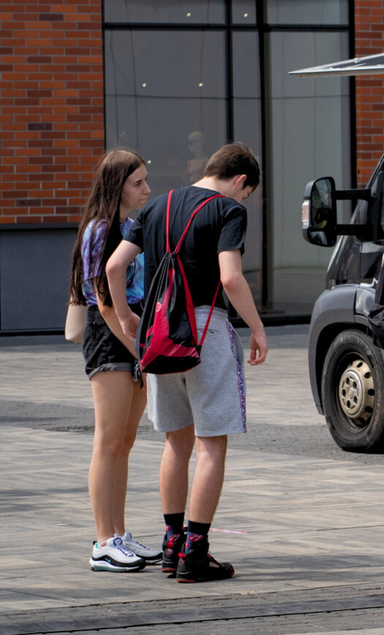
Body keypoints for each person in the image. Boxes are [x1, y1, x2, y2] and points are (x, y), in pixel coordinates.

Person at [107, 142, 268, 583]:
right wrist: (256, 327)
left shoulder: (155, 207)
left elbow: (115, 266)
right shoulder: (228, 211)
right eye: (246, 193)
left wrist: (125, 316)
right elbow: (231, 277)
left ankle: (172, 544)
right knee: (211, 444)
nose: (243, 201)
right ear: (240, 180)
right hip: (205, 330)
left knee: (175, 443)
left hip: (159, 333)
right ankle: (196, 553)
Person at [68, 148, 160, 572]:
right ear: (117, 185)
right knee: (108, 442)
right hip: (113, 336)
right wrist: (140, 349)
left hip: (133, 332)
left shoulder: (130, 226)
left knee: (124, 442)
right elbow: (105, 303)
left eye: (144, 180)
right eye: (138, 181)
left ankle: (118, 535)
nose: (146, 188)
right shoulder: (100, 230)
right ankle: (104, 541)